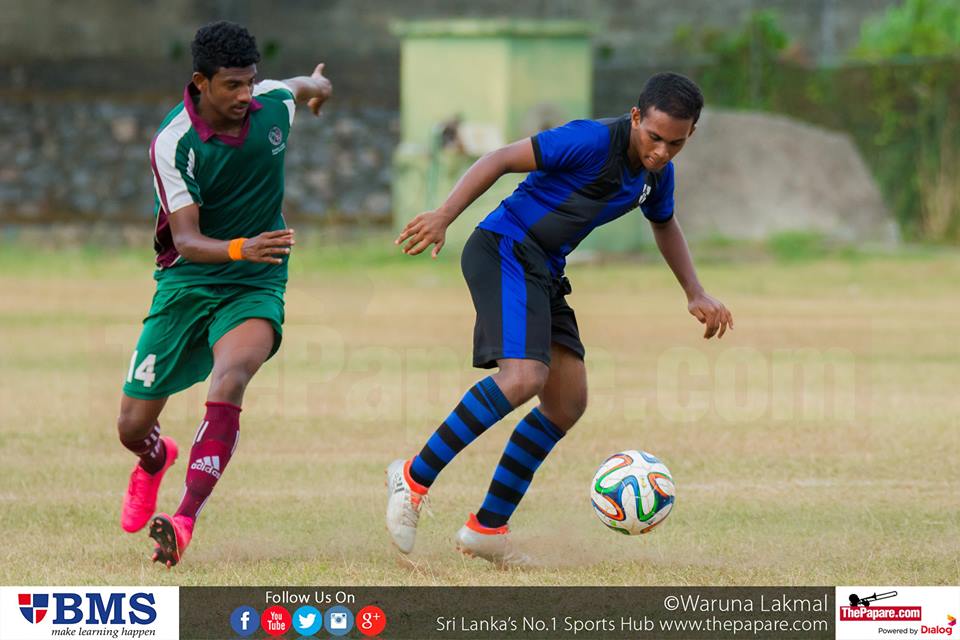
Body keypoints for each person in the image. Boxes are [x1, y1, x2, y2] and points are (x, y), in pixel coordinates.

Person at [386, 72, 733, 568]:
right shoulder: (590, 140)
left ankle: (487, 528)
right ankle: (413, 478)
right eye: (654, 137)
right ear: (636, 117)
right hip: (504, 247)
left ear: (690, 135)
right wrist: (445, 214)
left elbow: (665, 222)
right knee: (524, 377)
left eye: (675, 143)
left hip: (544, 269)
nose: (661, 151)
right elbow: (500, 159)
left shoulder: (657, 175)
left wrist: (694, 291)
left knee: (567, 402)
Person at [116, 21, 332, 567]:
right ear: (201, 82)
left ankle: (183, 519)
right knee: (130, 427)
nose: (245, 96)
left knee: (231, 377)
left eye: (250, 83)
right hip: (189, 279)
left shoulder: (272, 102)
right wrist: (241, 247)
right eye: (232, 86)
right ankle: (154, 458)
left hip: (256, 279)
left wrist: (318, 89)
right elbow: (186, 240)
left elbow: (302, 85)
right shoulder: (174, 142)